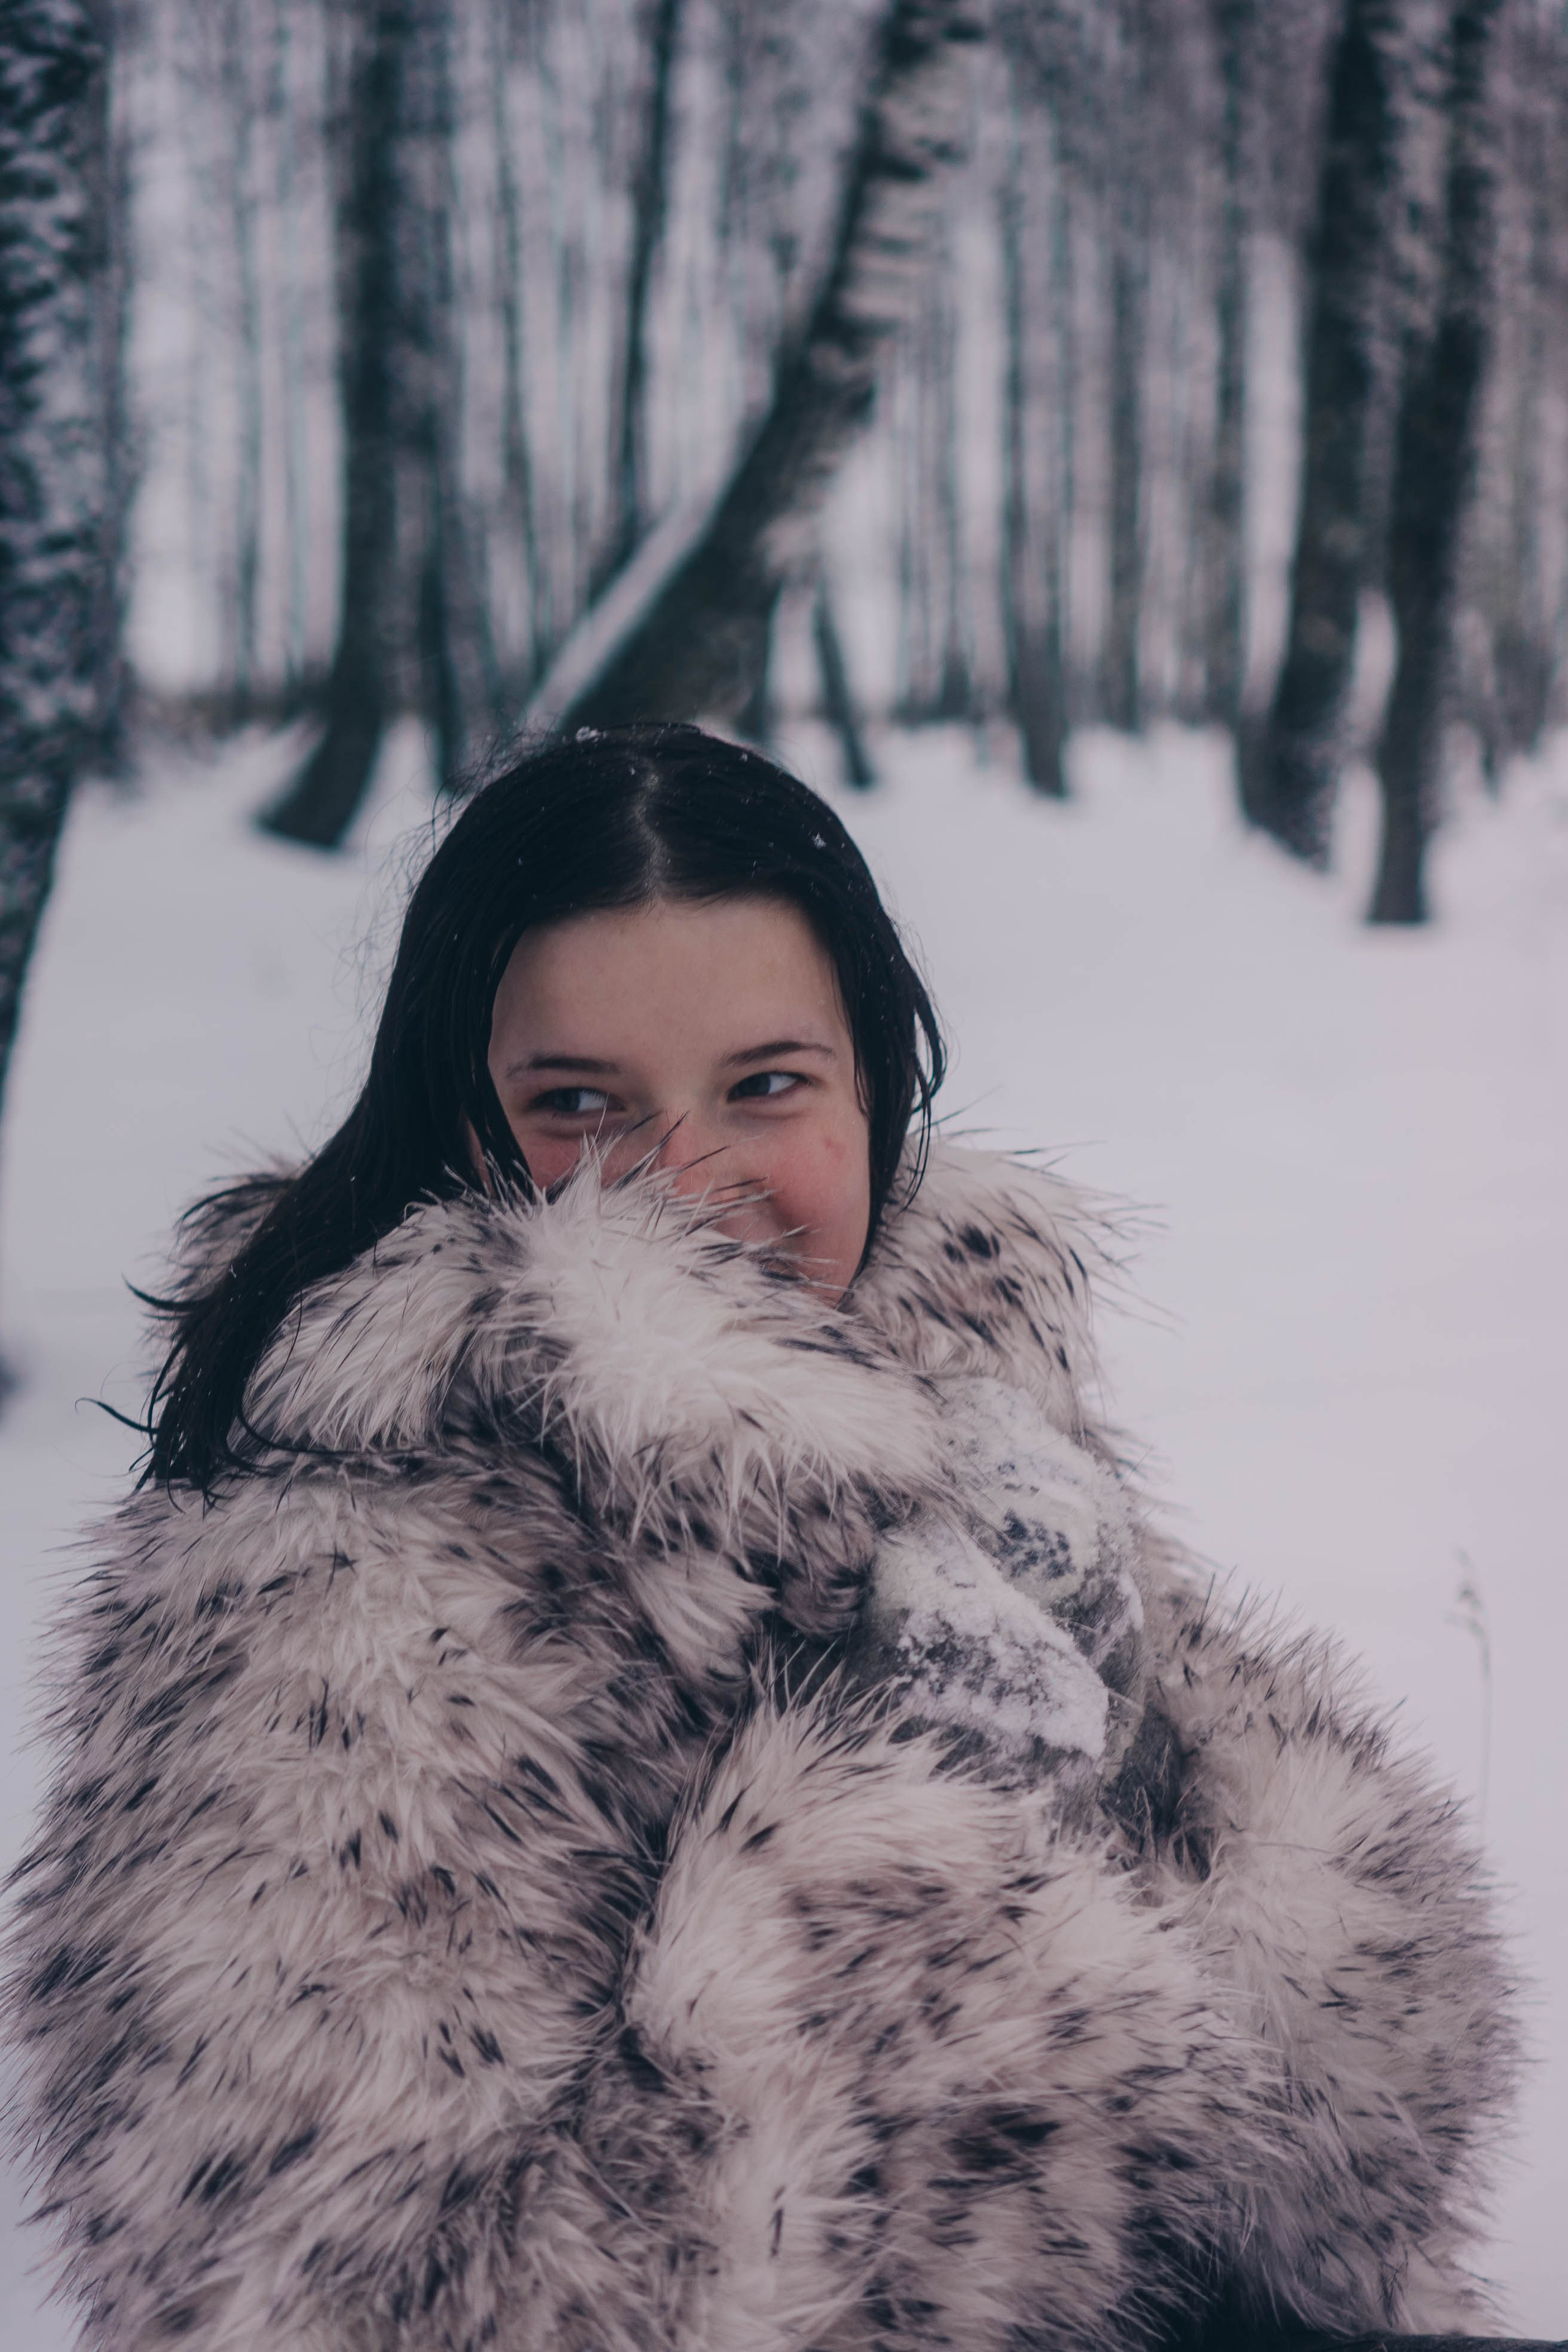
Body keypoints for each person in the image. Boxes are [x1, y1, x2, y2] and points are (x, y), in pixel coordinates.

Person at [5, 723, 1516, 2352]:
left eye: (767, 1086)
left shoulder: (974, 1427)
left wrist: (1202, 1835)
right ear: (462, 1131)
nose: (689, 1178)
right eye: (579, 1102)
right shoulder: (328, 1592)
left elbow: (1329, 2163)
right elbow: (307, 2309)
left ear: (877, 1089)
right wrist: (908, 1873)